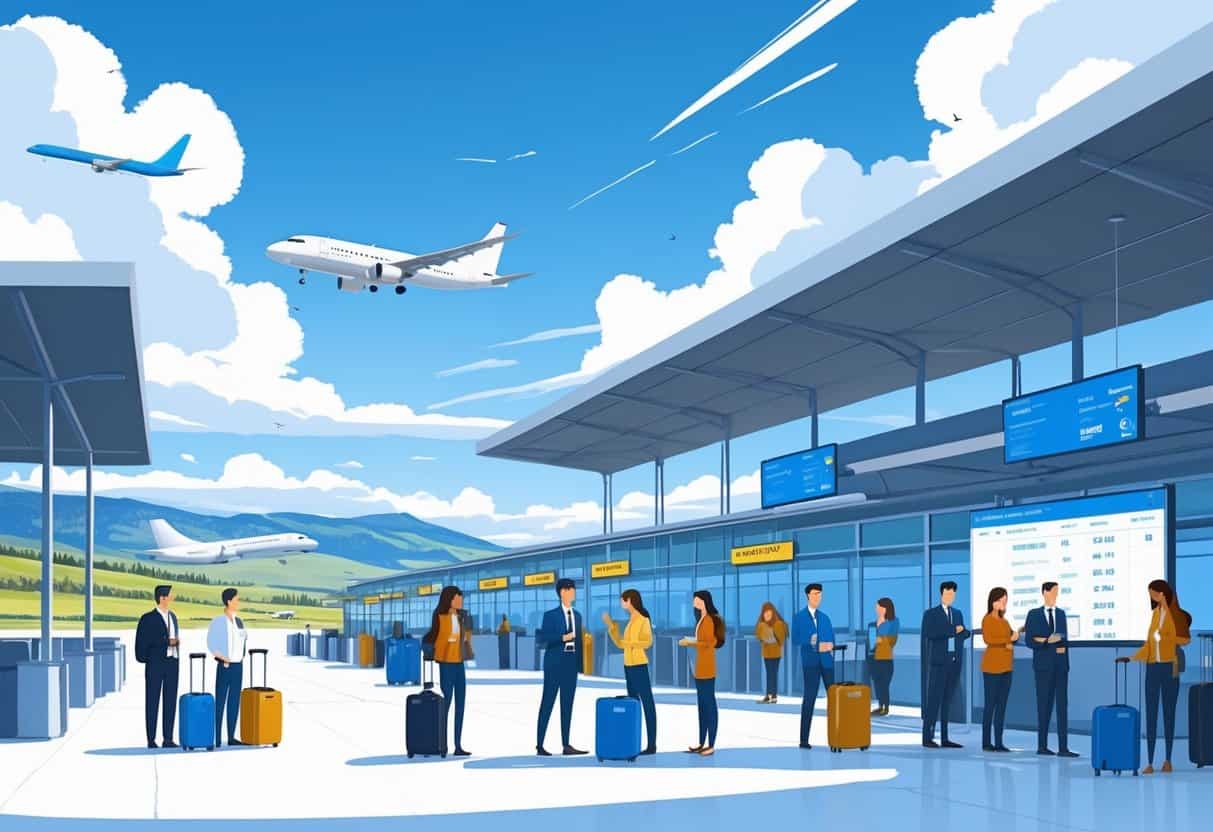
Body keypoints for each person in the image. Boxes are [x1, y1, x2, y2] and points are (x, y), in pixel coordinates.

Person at [1118, 579, 1192, 774]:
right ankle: (1150, 762)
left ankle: (1168, 760)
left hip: (1170, 668)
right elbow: (1149, 645)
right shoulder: (1155, 615)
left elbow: (1185, 639)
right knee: (1150, 714)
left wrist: (1166, 638)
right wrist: (1132, 658)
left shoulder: (1177, 615)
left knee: (1169, 714)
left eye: (1153, 593)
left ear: (1162, 593)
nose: (1151, 597)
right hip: (1152, 668)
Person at [1024, 582, 1078, 757]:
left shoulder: (1061, 614)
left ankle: (1063, 748)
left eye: (1057, 592)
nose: (1056, 595)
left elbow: (1064, 639)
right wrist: (1047, 641)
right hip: (1043, 668)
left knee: (1062, 706)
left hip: (1061, 666)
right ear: (1045, 592)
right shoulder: (1033, 614)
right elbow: (1030, 641)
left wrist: (1055, 643)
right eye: (1054, 592)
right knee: (1044, 706)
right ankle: (1042, 746)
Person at [602, 588, 658, 755]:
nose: (621, 603)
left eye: (623, 600)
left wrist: (630, 642)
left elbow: (648, 642)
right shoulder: (631, 620)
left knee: (647, 704)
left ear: (630, 601)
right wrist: (611, 627)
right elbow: (621, 644)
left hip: (639, 665)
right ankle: (633, 742)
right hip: (628, 665)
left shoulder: (643, 619)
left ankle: (651, 744)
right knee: (633, 705)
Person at [535, 578, 586, 756]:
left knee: (567, 704)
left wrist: (581, 666)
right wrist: (562, 637)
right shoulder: (550, 615)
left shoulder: (577, 615)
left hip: (570, 664)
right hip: (554, 664)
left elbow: (578, 641)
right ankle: (539, 745)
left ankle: (566, 745)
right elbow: (543, 639)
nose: (574, 593)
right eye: (571, 590)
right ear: (562, 592)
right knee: (547, 702)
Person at [422, 586, 473, 757]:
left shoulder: (462, 617)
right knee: (445, 706)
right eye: (458, 598)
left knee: (461, 706)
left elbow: (466, 640)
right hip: (446, 664)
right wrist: (452, 639)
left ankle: (457, 745)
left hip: (459, 664)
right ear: (450, 599)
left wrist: (467, 628)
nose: (461, 601)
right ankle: (438, 743)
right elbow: (439, 637)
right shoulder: (440, 616)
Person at [921, 581, 969, 748]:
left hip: (954, 661)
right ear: (941, 594)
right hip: (938, 663)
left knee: (948, 701)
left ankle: (945, 738)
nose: (950, 597)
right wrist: (952, 631)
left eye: (953, 594)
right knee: (933, 700)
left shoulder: (957, 613)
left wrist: (964, 632)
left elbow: (962, 632)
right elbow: (930, 633)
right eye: (947, 594)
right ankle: (927, 737)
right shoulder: (931, 614)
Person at [134, 585, 181, 749]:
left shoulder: (173, 617)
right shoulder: (148, 618)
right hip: (155, 664)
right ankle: (151, 739)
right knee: (152, 701)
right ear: (162, 598)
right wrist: (166, 642)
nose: (172, 598)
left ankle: (168, 738)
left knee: (170, 701)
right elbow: (143, 643)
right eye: (170, 595)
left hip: (172, 663)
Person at [679, 590, 725, 756]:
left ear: (704, 601)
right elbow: (702, 641)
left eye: (696, 600)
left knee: (709, 705)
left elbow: (709, 642)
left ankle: (711, 744)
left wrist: (691, 643)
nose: (694, 602)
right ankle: (701, 742)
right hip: (699, 667)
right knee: (701, 706)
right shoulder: (701, 619)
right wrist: (693, 643)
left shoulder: (710, 619)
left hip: (707, 667)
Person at [791, 583, 835, 749]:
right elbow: (795, 640)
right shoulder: (799, 617)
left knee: (834, 701)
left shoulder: (825, 618)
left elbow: (832, 638)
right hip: (810, 663)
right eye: (815, 594)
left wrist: (829, 646)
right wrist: (809, 642)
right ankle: (804, 740)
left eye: (820, 594)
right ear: (808, 596)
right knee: (809, 700)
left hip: (827, 662)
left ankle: (836, 738)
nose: (818, 597)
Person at [206, 587, 248, 748]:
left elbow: (244, 639)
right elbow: (211, 642)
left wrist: (242, 655)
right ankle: (216, 737)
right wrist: (221, 657)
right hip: (225, 665)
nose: (238, 602)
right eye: (236, 599)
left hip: (238, 666)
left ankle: (231, 736)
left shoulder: (239, 620)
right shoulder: (218, 621)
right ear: (229, 601)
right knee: (221, 701)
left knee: (234, 702)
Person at [981, 587, 1019, 752]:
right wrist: (1008, 640)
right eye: (1001, 600)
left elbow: (1010, 638)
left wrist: (1015, 637)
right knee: (990, 705)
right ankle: (986, 742)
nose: (1004, 603)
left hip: (1006, 668)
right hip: (991, 668)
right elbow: (989, 639)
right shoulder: (987, 619)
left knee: (1002, 706)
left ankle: (999, 742)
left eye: (1006, 600)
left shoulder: (1005, 622)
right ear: (993, 602)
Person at [755, 602, 788, 704]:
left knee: (773, 674)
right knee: (770, 674)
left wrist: (769, 636)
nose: (767, 615)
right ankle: (770, 695)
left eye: (769, 612)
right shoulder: (761, 625)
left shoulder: (778, 624)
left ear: (773, 613)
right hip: (767, 653)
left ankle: (772, 696)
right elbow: (761, 637)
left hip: (775, 654)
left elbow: (778, 639)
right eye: (765, 613)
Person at [870, 598, 899, 717]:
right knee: (876, 682)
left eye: (879, 607)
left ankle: (885, 707)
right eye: (877, 607)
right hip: (873, 657)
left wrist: (879, 639)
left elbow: (892, 640)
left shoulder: (893, 622)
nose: (877, 609)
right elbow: (871, 640)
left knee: (884, 683)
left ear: (886, 608)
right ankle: (880, 705)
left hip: (885, 658)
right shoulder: (873, 623)